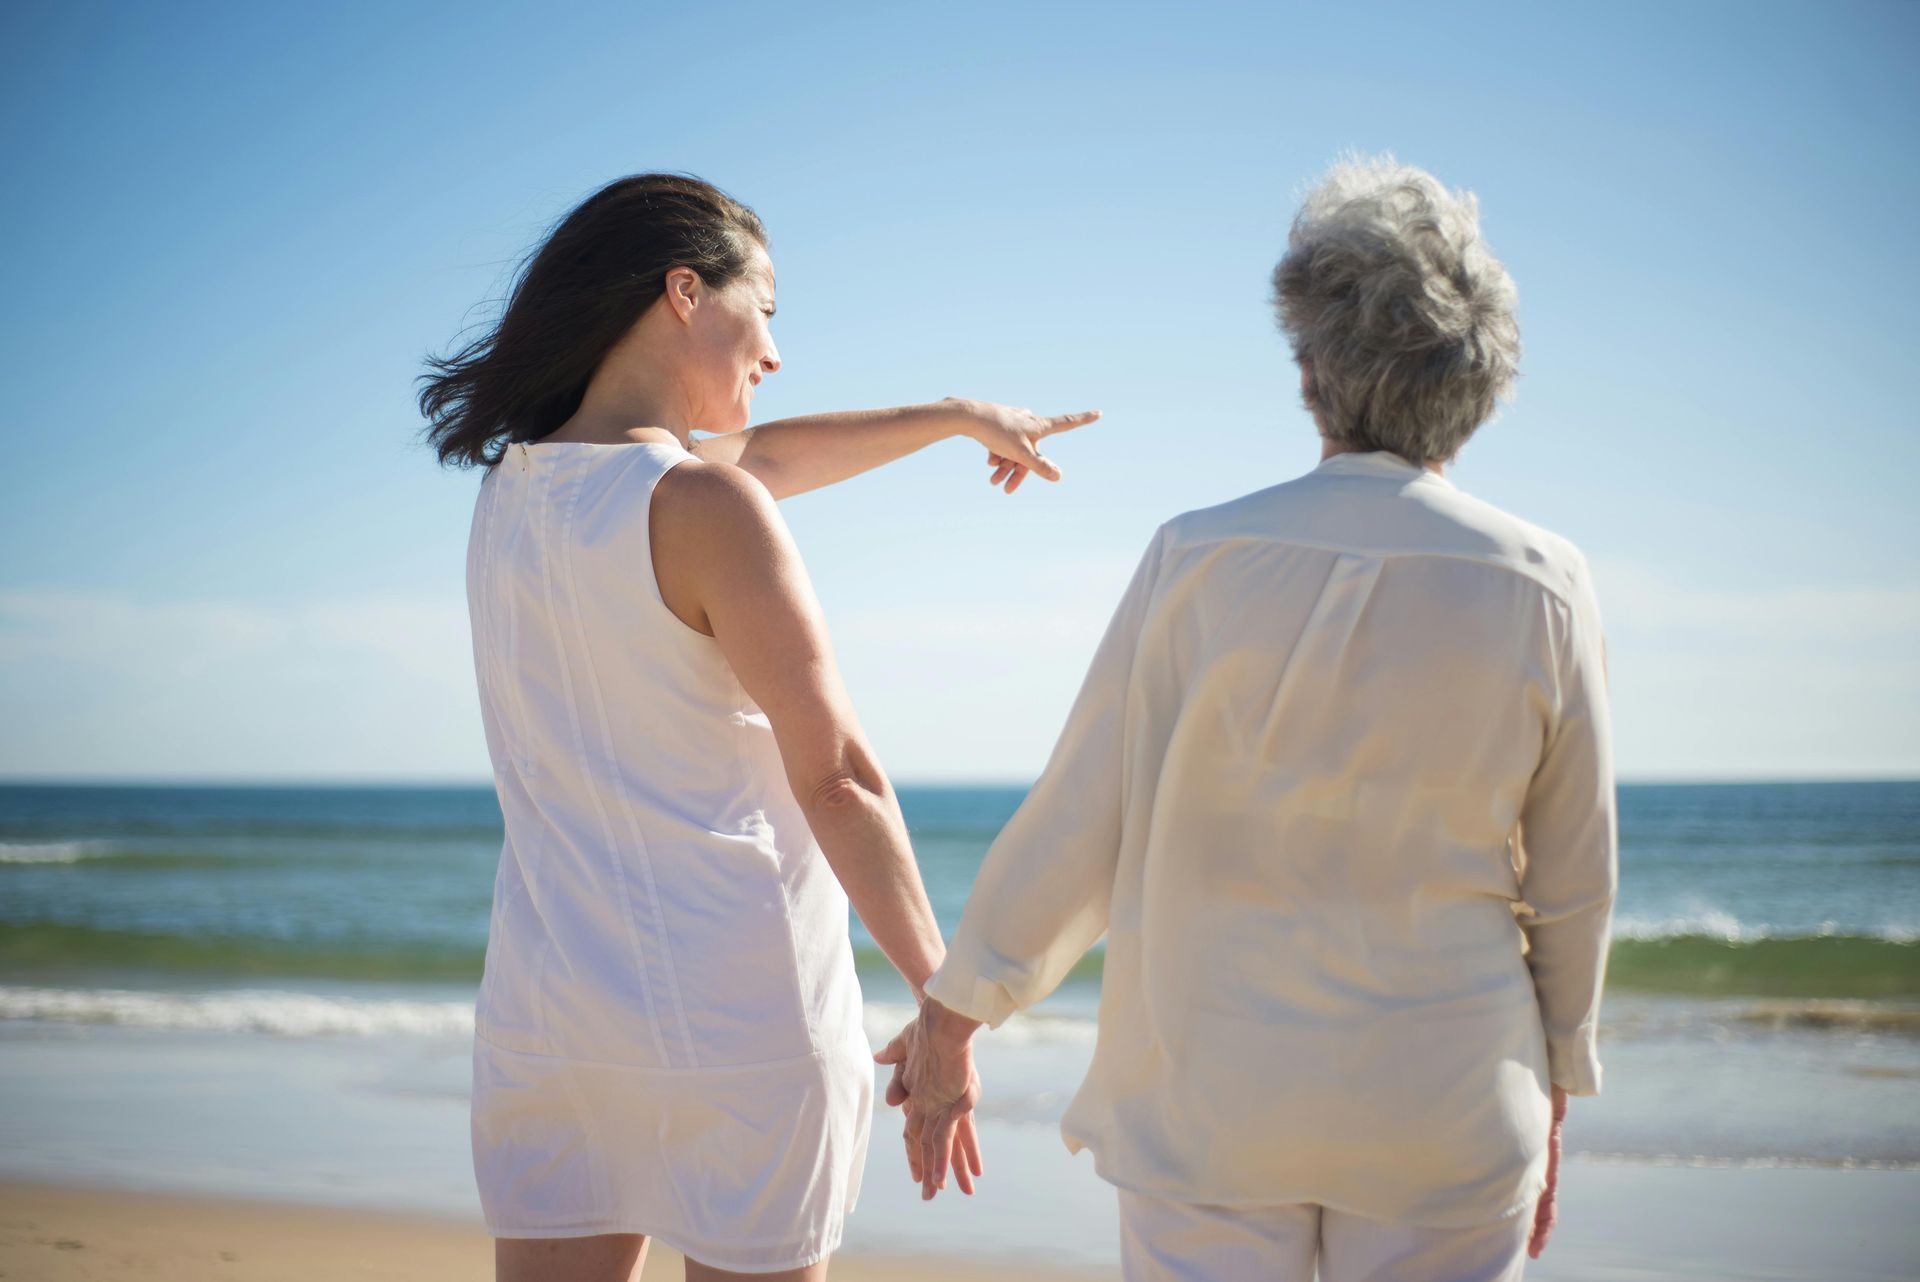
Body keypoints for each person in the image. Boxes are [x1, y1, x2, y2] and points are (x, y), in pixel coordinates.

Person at [880, 154, 1617, 1282]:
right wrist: (1555, 1087)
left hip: (1209, 1105)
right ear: (1476, 383)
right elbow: (1572, 885)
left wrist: (959, 1009)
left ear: (1313, 369)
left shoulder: (1198, 553)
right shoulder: (1546, 583)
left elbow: (1087, 814)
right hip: (1453, 1099)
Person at [419, 172, 1096, 1282]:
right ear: (685, 291)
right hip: (742, 1020)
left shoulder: (512, 495)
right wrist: (944, 998)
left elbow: (766, 460)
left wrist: (960, 415)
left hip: (552, 1022)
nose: (774, 348)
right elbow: (838, 777)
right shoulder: (700, 506)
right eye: (765, 306)